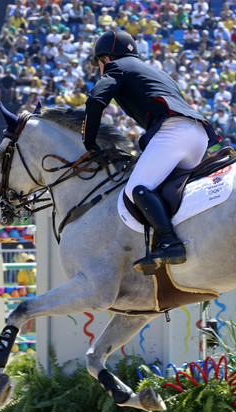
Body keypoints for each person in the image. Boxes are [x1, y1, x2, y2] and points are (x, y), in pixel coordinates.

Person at [83, 30, 220, 272]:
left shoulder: (116, 67)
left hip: (174, 131)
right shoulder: (156, 71)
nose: (100, 69)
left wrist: (89, 142)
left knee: (138, 188)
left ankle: (169, 241)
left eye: (99, 64)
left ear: (106, 58)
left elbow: (95, 100)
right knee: (165, 191)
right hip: (197, 135)